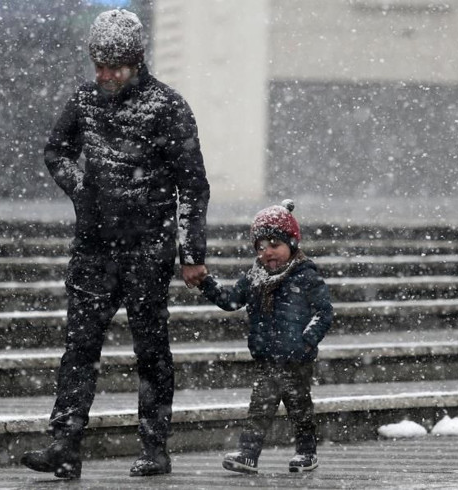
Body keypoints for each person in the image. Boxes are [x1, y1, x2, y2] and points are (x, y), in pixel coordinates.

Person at [20, 9, 210, 480]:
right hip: (93, 250)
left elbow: (194, 186)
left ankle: (155, 446)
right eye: (98, 65)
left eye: (113, 66)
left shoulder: (168, 107)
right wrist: (81, 187)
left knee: (151, 351)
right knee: (79, 348)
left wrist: (192, 255)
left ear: (136, 60)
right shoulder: (84, 100)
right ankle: (64, 445)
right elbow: (55, 151)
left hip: (148, 251)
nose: (104, 75)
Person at [197, 199, 333, 474]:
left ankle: (306, 452)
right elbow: (231, 301)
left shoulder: (305, 275)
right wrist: (206, 283)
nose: (268, 252)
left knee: (299, 408)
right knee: (260, 408)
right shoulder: (255, 277)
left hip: (296, 359)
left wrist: (307, 340)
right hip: (268, 357)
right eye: (261, 247)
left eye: (275, 245)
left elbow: (324, 313)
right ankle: (248, 454)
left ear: (292, 244)